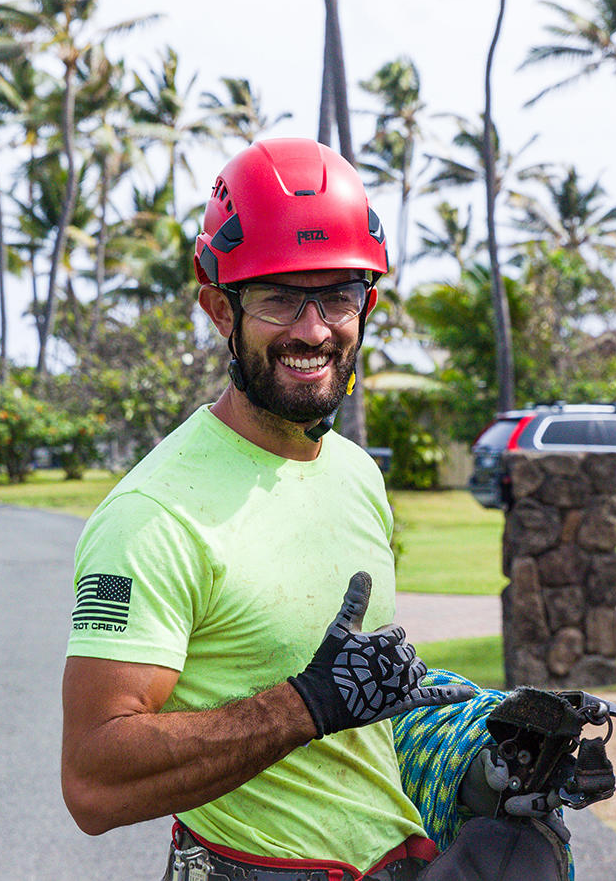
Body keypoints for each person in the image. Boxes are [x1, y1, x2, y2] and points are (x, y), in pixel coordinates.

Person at [60, 138, 482, 880]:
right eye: (280, 296)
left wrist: (489, 741)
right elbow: (93, 778)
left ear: (367, 303)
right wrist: (302, 705)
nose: (313, 329)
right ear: (221, 307)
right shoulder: (153, 514)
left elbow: (354, 707)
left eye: (337, 294)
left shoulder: (355, 475)